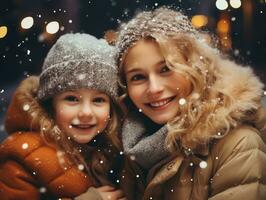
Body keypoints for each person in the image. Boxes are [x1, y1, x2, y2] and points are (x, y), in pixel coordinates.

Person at [115, 7, 266, 200]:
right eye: (138, 77)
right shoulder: (127, 144)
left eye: (166, 69)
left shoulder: (239, 145)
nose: (154, 88)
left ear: (196, 69)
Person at [0, 33, 131, 200]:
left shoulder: (115, 149)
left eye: (98, 100)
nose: (86, 112)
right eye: (72, 99)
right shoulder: (22, 156)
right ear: (51, 104)